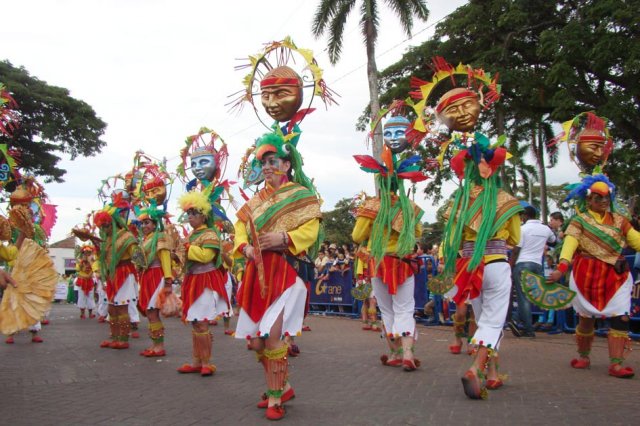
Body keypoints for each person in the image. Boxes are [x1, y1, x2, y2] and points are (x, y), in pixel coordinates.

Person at [412, 57, 521, 399]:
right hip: (497, 266)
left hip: (469, 267)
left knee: (480, 318)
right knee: (493, 321)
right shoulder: (503, 200)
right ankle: (476, 368)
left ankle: (492, 372)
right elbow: (514, 238)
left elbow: (453, 240)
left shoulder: (459, 202)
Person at [234, 133, 321, 420]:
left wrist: (285, 237)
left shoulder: (302, 195)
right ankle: (282, 386)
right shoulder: (255, 200)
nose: (267, 167)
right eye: (263, 162)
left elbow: (311, 231)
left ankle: (274, 399)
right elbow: (239, 228)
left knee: (271, 337)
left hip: (285, 271)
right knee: (256, 342)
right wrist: (244, 247)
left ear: (286, 164)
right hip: (256, 273)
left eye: (273, 161)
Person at [352, 114, 426, 372]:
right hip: (403, 263)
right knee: (405, 308)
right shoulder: (409, 207)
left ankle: (394, 353)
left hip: (379, 263)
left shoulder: (372, 206)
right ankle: (406, 354)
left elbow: (356, 236)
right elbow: (417, 231)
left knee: (387, 309)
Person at [548, 175, 640, 378]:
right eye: (598, 197)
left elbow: (636, 240)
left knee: (622, 317)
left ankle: (616, 363)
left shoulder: (620, 221)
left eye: (607, 197)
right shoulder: (579, 221)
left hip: (615, 277)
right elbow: (570, 245)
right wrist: (561, 268)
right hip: (586, 277)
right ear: (589, 199)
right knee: (585, 319)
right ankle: (583, 356)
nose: (604, 201)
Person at [176, 190, 230, 377]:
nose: (190, 217)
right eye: (189, 214)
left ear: (204, 215)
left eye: (194, 214)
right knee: (195, 322)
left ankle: (206, 362)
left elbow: (206, 256)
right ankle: (197, 361)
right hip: (192, 280)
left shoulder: (210, 235)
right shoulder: (191, 236)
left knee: (202, 323)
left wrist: (187, 248)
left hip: (205, 281)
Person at [94, 196, 139, 350]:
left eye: (106, 225)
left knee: (121, 306)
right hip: (112, 274)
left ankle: (124, 338)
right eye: (102, 227)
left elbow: (138, 257)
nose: (104, 229)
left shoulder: (126, 237)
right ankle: (114, 336)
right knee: (112, 307)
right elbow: (105, 258)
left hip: (125, 273)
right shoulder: (107, 240)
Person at [509, 206, 557, 337]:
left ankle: (526, 327)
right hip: (537, 265)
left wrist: (510, 266)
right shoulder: (545, 229)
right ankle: (517, 320)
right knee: (530, 296)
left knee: (522, 297)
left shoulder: (522, 229)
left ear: (525, 216)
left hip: (522, 264)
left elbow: (516, 250)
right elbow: (554, 242)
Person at [135, 202, 174, 357]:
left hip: (156, 277)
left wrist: (168, 281)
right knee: (149, 313)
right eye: (142, 223)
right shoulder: (145, 240)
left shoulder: (160, 238)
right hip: (146, 277)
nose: (144, 226)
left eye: (147, 222)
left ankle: (159, 346)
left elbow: (165, 259)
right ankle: (155, 344)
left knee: (153, 313)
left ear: (155, 223)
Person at [75, 245, 97, 319]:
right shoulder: (79, 261)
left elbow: (95, 269)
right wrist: (82, 262)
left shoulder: (93, 261)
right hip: (82, 281)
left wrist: (90, 261)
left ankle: (90, 313)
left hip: (90, 281)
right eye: (85, 253)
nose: (87, 254)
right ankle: (82, 313)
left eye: (89, 252)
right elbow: (78, 270)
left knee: (90, 297)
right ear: (83, 253)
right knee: (82, 297)